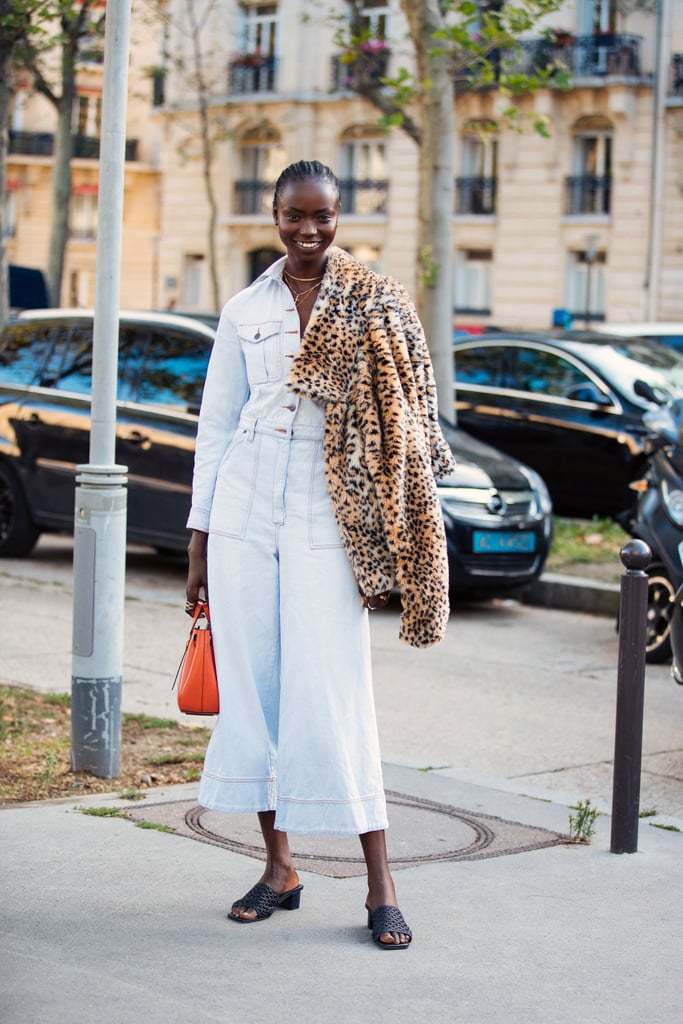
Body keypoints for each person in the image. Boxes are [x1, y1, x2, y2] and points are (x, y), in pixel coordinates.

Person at [185, 159, 455, 949]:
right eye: (294, 216)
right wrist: (200, 539)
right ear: (273, 216)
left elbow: (407, 421)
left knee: (334, 694)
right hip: (241, 513)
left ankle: (381, 884)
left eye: (322, 216)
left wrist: (382, 547)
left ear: (340, 217)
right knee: (259, 694)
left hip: (325, 521)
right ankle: (280, 869)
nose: (309, 230)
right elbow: (216, 426)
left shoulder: (374, 301)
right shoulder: (243, 309)